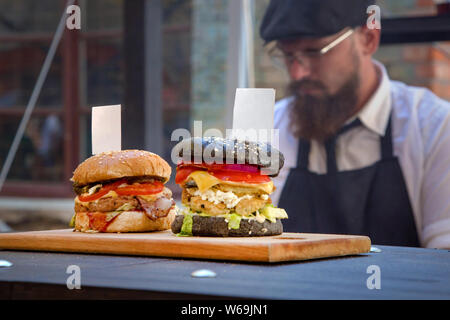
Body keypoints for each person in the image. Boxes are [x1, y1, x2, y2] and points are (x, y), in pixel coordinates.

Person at [260, 0, 450, 248]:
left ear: (368, 38)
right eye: (288, 55)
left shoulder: (432, 128)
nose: (298, 73)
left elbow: (442, 265)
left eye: (314, 52)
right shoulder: (272, 129)